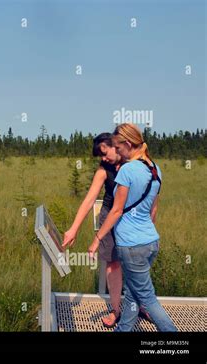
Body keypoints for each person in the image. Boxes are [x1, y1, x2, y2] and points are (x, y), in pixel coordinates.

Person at [88, 123, 177, 332]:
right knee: (132, 294)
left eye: (118, 148)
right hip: (151, 242)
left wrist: (97, 239)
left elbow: (116, 210)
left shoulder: (127, 170)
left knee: (148, 299)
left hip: (131, 246)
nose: (117, 152)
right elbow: (152, 211)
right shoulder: (155, 168)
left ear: (128, 144)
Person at [62, 133, 124, 328]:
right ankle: (116, 310)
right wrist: (73, 229)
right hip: (108, 217)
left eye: (105, 153)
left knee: (134, 261)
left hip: (129, 217)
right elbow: (89, 201)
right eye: (100, 156)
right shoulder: (103, 170)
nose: (103, 158)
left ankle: (141, 304)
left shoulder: (133, 164)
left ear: (115, 145)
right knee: (112, 263)